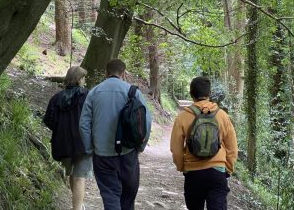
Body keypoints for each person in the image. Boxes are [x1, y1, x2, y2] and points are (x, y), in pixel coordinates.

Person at [79, 58, 152, 210]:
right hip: (128, 153)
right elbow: (147, 121)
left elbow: (84, 124)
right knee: (128, 195)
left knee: (110, 195)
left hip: (102, 154)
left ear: (106, 72)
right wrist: (141, 146)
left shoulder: (94, 92)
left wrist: (89, 148)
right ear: (123, 73)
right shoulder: (133, 92)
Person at [170, 76, 238, 210]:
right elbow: (232, 148)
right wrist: (228, 169)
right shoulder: (222, 115)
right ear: (209, 94)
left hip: (193, 174)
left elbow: (176, 149)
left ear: (191, 94)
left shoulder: (183, 117)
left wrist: (182, 167)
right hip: (217, 172)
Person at [43, 66, 91, 210]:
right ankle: (77, 208)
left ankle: (78, 205)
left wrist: (60, 130)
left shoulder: (56, 98)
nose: (84, 80)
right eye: (84, 77)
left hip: (62, 144)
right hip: (82, 143)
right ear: (79, 79)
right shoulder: (87, 96)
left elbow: (48, 120)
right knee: (79, 176)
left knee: (72, 175)